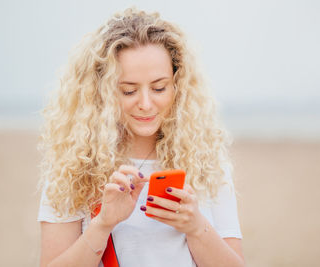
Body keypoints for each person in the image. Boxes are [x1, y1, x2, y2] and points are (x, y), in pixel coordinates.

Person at [37, 7, 245, 267]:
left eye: (159, 87)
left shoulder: (207, 163)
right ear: (102, 92)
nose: (146, 104)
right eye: (128, 91)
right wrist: (102, 225)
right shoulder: (73, 167)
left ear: (177, 86)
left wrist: (196, 227)